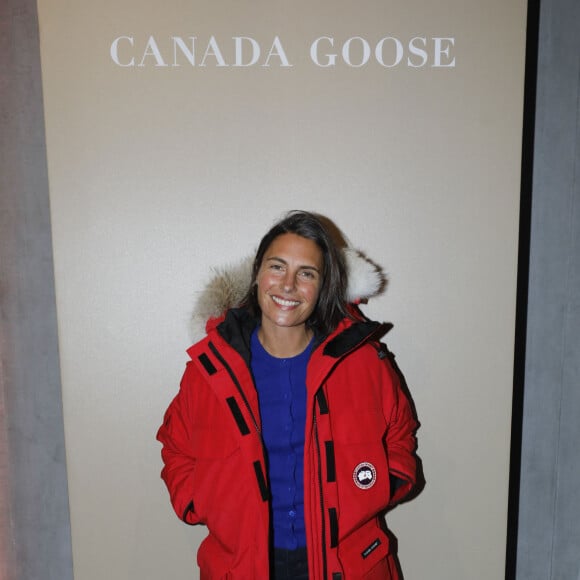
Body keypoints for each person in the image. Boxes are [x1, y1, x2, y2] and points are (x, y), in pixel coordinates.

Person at [157, 210, 419, 579]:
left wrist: (382, 484)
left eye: (306, 273)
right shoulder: (211, 370)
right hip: (243, 566)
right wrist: (199, 500)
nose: (288, 284)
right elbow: (176, 446)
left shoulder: (363, 361)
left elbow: (400, 432)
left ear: (323, 285)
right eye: (277, 267)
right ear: (258, 275)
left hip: (349, 566)